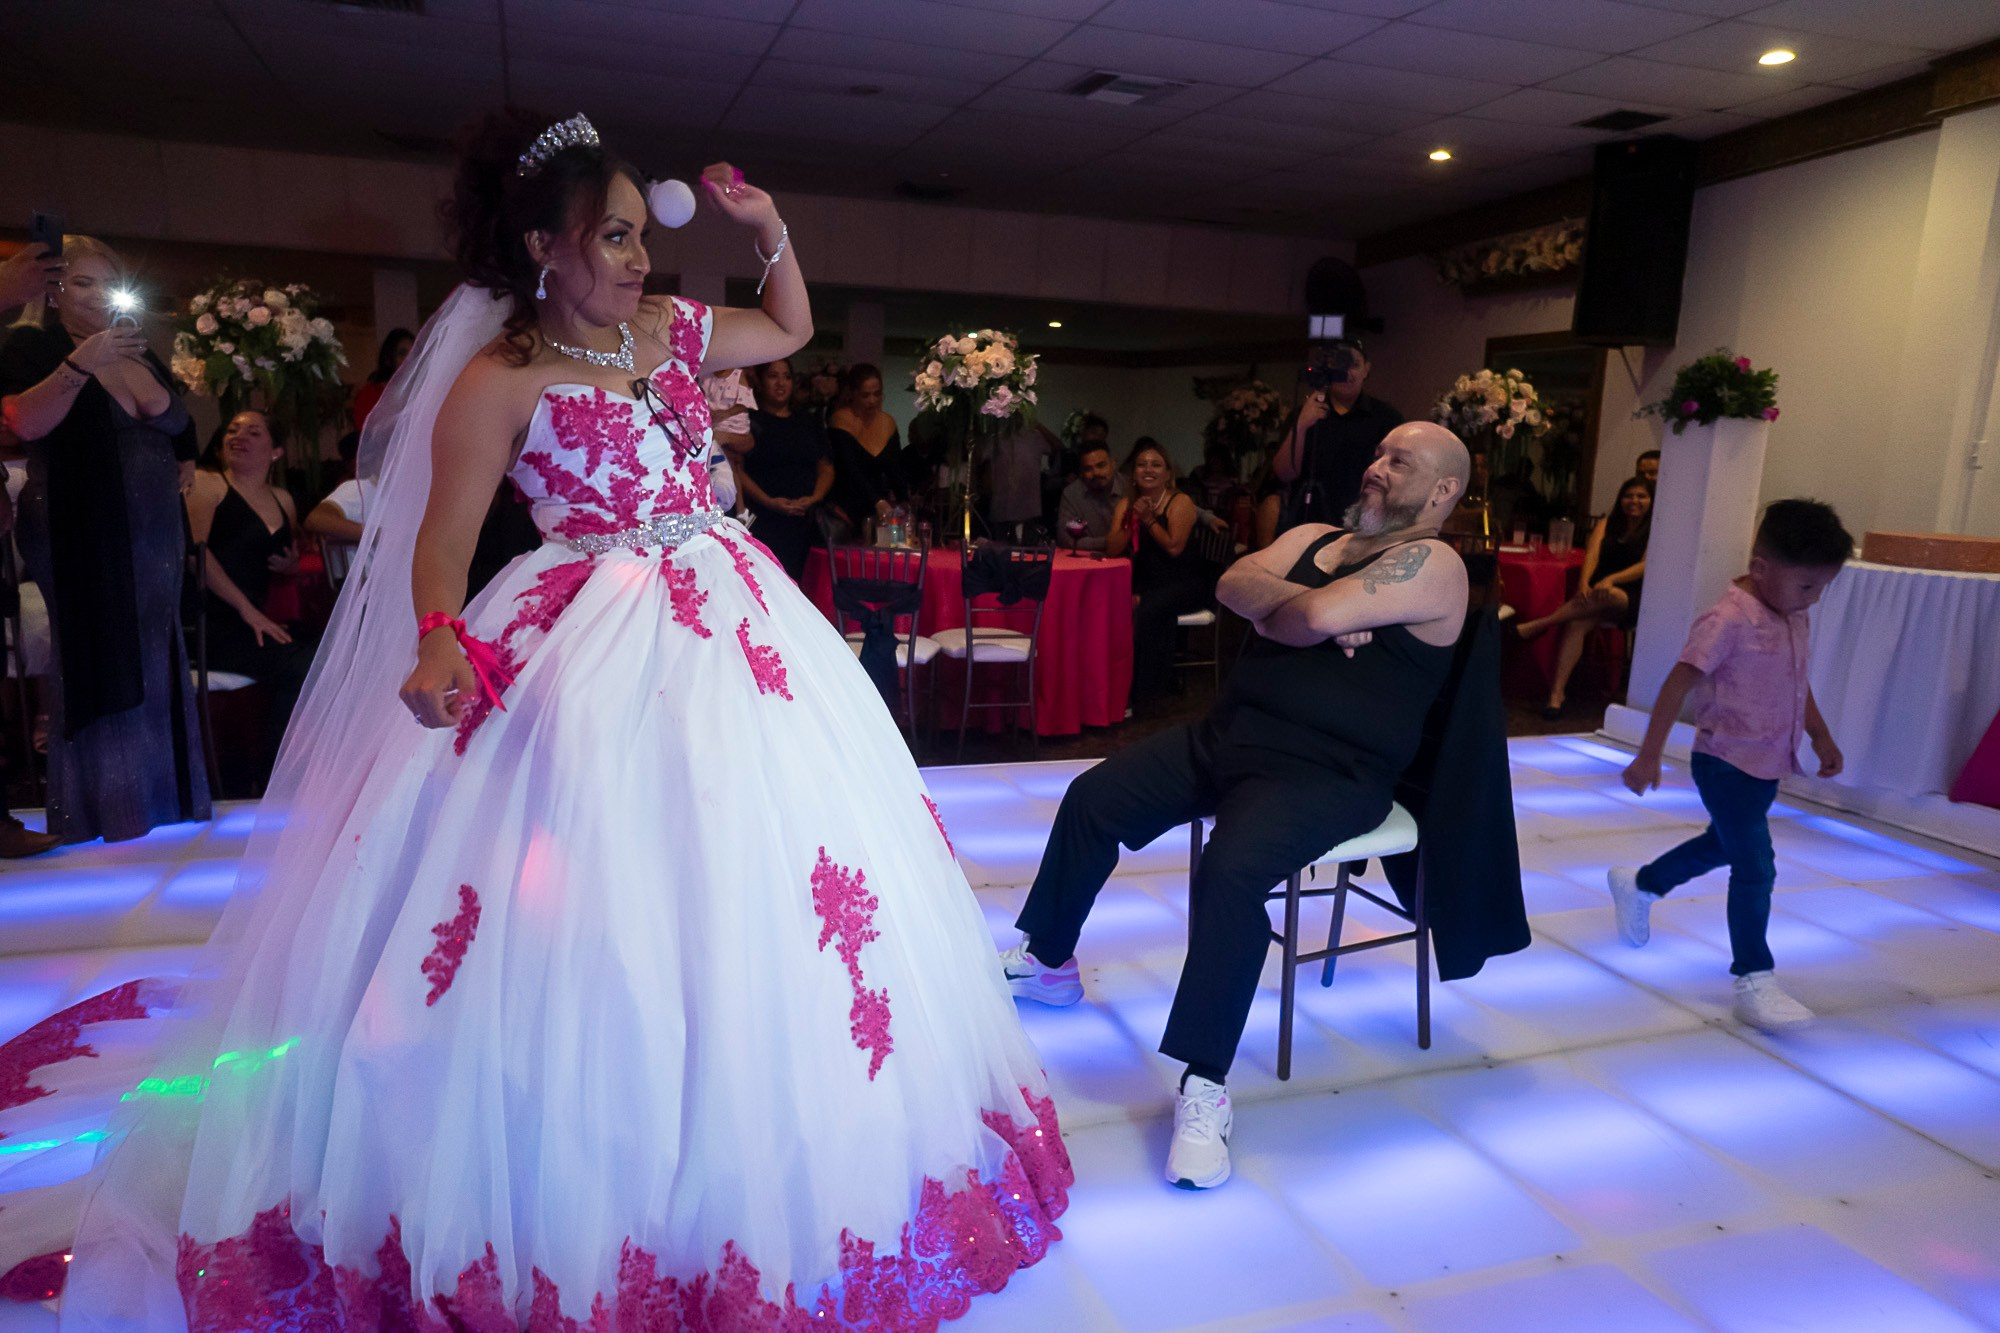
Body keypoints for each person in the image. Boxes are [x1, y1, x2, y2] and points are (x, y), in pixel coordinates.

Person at [55, 110, 1067, 1324]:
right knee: (583, 892)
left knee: (784, 874)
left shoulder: (670, 328)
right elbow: (440, 543)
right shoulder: (497, 381)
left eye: (640, 234)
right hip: (586, 635)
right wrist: (440, 634)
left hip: (737, 615)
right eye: (615, 236)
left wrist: (769, 231)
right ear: (544, 245)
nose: (639, 258)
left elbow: (791, 326)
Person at [1003, 421, 1472, 1189]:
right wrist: (1302, 607)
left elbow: (1305, 618)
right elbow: (1232, 583)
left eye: (1400, 460)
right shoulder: (1319, 537)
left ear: (1444, 489)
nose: (1377, 466)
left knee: (1228, 872)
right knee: (1094, 797)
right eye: (1378, 452)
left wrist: (1287, 610)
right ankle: (1050, 960)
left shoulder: (1436, 564)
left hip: (1327, 772)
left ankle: (1205, 1084)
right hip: (1228, 737)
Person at [1612, 498, 1853, 1031]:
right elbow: (1678, 682)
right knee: (1756, 866)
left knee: (1724, 844)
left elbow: (1796, 683)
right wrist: (1649, 754)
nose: (1813, 599)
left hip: (1767, 763)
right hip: (1725, 763)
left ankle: (1642, 883)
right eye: (1806, 586)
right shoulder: (1727, 620)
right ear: (1761, 567)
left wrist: (1819, 734)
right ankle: (1753, 976)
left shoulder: (1791, 614)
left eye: (1821, 588)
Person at [0, 234, 208, 846]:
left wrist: (184, 453)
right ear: (53, 290)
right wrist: (82, 363)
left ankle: (161, 801)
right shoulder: (33, 344)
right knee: (97, 649)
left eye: (106, 281)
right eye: (81, 282)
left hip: (153, 525)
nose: (96, 294)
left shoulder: (135, 344)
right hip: (77, 518)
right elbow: (24, 420)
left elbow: (179, 423)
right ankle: (108, 810)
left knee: (154, 650)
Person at [184, 408, 313, 778]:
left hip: (253, 623)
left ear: (276, 451)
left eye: (253, 432)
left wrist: (289, 567)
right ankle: (275, 775)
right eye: (233, 430)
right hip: (210, 623)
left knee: (328, 653)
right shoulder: (208, 485)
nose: (238, 437)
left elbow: (287, 563)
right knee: (303, 666)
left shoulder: (282, 499)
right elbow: (195, 556)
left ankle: (287, 768)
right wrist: (246, 609)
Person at [1514, 475, 1653, 718]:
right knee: (1576, 623)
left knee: (1609, 594)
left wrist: (1612, 579)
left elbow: (1645, 565)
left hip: (1631, 595)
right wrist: (1583, 583)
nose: (1634, 501)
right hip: (1599, 592)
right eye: (1628, 496)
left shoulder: (1656, 528)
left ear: (1651, 500)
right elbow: (1592, 555)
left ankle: (1541, 623)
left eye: (1641, 496)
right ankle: (1556, 696)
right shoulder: (1608, 523)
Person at [1107, 439, 1207, 711]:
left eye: (1156, 465)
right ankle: (1116, 686)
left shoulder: (1180, 501)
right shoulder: (1126, 503)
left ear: (1167, 473)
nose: (1148, 470)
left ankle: (1143, 695)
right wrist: (1132, 520)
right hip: (1147, 581)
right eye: (1142, 465)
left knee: (1148, 608)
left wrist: (1149, 520)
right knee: (1112, 604)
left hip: (1184, 582)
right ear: (1133, 473)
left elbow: (1175, 548)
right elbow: (1112, 549)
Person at [1272, 338, 1402, 531]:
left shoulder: (1386, 417)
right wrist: (1301, 426)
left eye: (1354, 365)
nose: (1347, 372)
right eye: (1339, 364)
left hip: (1362, 526)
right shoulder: (1305, 413)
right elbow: (1284, 473)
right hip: (1307, 525)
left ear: (1366, 369)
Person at [742, 356, 834, 580]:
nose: (780, 383)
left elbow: (826, 466)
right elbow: (738, 470)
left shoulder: (808, 421)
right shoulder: (749, 420)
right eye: (773, 376)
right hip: (763, 519)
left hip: (804, 520)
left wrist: (815, 497)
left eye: (787, 377)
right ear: (760, 382)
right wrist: (768, 501)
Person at [827, 361, 903, 533]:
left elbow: (895, 470)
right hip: (846, 509)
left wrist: (904, 501)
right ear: (853, 394)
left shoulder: (887, 423)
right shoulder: (841, 419)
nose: (872, 401)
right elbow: (850, 469)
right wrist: (877, 500)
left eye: (877, 394)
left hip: (878, 510)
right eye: (865, 395)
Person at [1055, 438, 1127, 551]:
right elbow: (1065, 539)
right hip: (1087, 558)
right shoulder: (1072, 493)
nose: (1096, 473)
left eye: (1101, 465)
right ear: (1081, 472)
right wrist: (1111, 542)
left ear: (1113, 464)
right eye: (1088, 469)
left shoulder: (1128, 487)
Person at [351, 325, 414, 434]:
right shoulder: (370, 394)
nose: (409, 359)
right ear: (389, 358)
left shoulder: (421, 390)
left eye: (413, 353)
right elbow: (369, 434)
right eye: (402, 353)